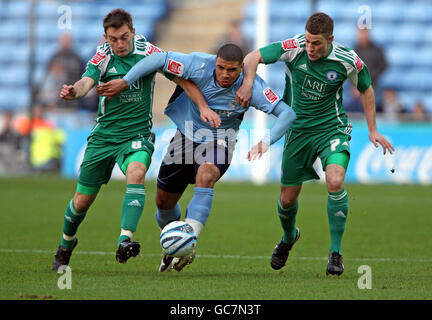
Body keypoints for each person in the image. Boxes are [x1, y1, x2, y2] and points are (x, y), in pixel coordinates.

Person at [97, 43, 297, 272]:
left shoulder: (252, 87)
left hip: (221, 140)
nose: (225, 74)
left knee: (206, 174)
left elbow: (287, 113)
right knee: (163, 203)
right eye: (221, 67)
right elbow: (159, 59)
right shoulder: (198, 64)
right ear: (215, 63)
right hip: (185, 137)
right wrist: (125, 81)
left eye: (232, 70)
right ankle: (178, 247)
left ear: (241, 68)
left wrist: (266, 141)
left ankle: (188, 242)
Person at [51, 9, 217, 271]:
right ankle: (66, 243)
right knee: (82, 201)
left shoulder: (150, 53)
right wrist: (73, 92)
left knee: (137, 171)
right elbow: (86, 82)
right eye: (113, 39)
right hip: (104, 136)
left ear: (133, 33)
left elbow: (181, 78)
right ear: (105, 38)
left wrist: (203, 107)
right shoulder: (103, 56)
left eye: (124, 38)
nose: (119, 44)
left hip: (137, 134)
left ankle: (124, 240)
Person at [236, 12, 395, 276]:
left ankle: (335, 252)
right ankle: (289, 238)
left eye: (316, 43)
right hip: (297, 131)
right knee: (287, 199)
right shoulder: (294, 47)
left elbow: (366, 88)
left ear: (330, 39)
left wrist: (373, 129)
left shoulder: (347, 60)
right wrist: (248, 82)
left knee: (334, 181)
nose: (310, 48)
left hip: (331, 128)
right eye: (308, 41)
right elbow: (251, 57)